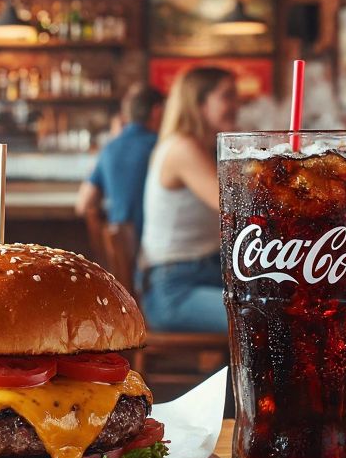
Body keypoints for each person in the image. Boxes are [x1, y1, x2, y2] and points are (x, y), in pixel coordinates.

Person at [139, 67, 239, 333]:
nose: (236, 105)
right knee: (257, 318)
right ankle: (231, 375)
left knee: (280, 306)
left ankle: (234, 374)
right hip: (173, 290)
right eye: (227, 96)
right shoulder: (183, 148)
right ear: (199, 104)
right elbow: (235, 207)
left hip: (203, 274)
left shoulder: (198, 147)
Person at [75, 83, 165, 239]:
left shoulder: (110, 147)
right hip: (154, 249)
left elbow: (83, 205)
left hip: (121, 249)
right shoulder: (163, 148)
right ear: (157, 111)